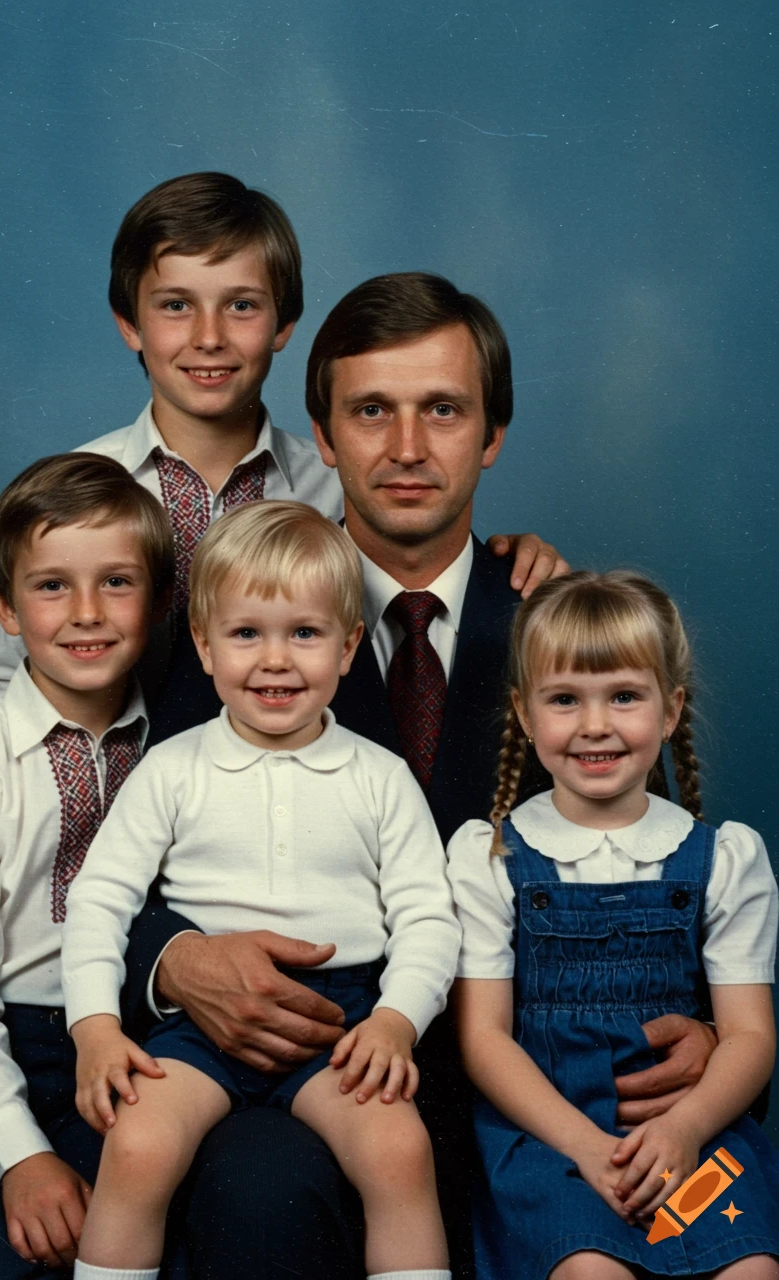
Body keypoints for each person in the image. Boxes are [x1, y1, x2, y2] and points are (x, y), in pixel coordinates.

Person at [141, 273, 717, 1278]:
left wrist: (700, 1029)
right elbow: (126, 864)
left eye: (441, 409)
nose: (406, 448)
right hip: (316, 1068)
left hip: (553, 1082)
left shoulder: (560, 628)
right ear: (320, 434)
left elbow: (647, 862)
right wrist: (174, 959)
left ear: (490, 433)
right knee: (254, 1189)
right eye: (370, 411)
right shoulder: (238, 631)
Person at [61, 500, 461, 1280]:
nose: (275, 660)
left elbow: (427, 918)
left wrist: (395, 1022)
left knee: (399, 1149)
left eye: (304, 634)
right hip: (196, 1028)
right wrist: (96, 1031)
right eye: (246, 634)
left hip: (344, 1022)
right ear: (205, 647)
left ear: (348, 647)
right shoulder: (173, 769)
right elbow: (99, 902)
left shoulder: (379, 778)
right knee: (138, 1143)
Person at [448, 570, 779, 1279]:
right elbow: (483, 1038)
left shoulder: (723, 857)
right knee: (590, 1269)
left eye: (624, 696)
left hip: (689, 1136)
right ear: (525, 714)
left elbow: (750, 1036)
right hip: (550, 1141)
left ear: (669, 710)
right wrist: (584, 1144)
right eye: (565, 699)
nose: (595, 724)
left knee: (748, 1266)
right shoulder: (492, 856)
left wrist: (685, 1128)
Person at [0, 454, 176, 1277]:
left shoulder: (181, 751)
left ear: (160, 602)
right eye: (52, 586)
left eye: (116, 582)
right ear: (5, 608)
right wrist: (19, 1156)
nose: (86, 613)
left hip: (132, 1050)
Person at [0, 171, 341, 715]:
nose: (208, 338)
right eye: (176, 305)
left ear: (284, 325)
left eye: (241, 306)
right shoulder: (72, 489)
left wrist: (508, 557)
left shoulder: (334, 489)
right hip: (106, 794)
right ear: (129, 323)